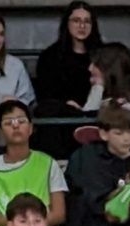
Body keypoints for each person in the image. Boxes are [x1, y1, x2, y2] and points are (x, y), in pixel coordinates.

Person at [34, 2, 102, 142]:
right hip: (62, 114)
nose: (82, 26)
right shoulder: (50, 56)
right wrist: (67, 104)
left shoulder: (103, 55)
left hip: (96, 112)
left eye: (87, 21)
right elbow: (44, 94)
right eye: (76, 20)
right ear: (67, 23)